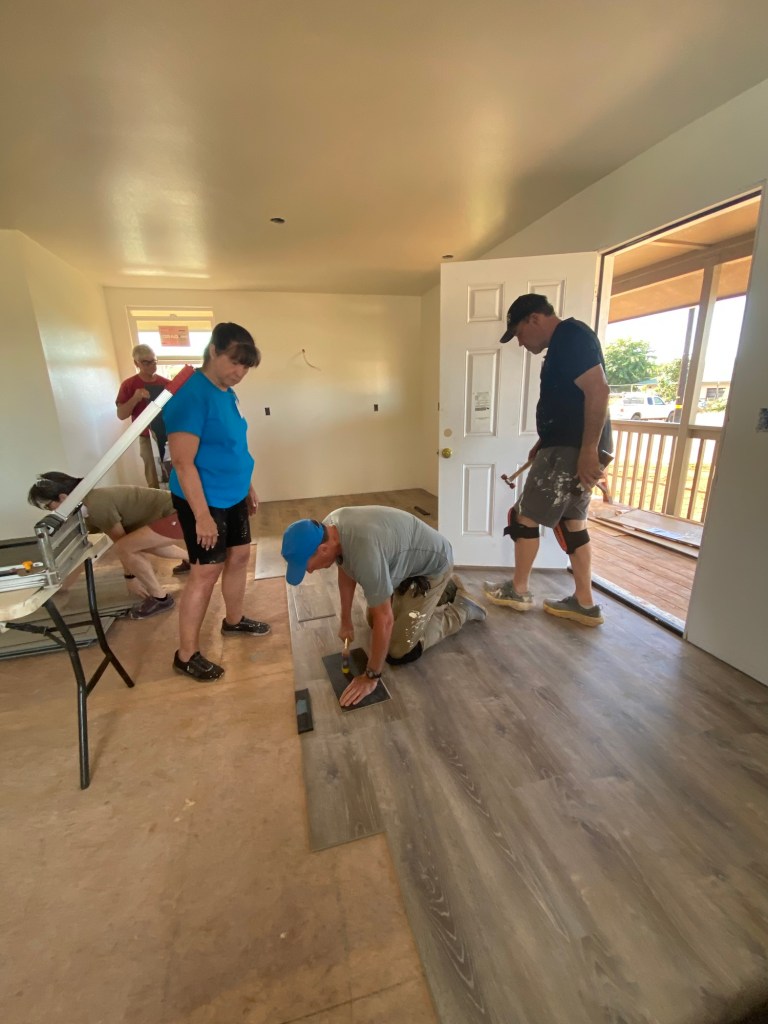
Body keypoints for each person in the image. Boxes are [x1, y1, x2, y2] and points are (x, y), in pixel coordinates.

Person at [485, 293, 612, 627]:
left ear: (534, 319)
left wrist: (586, 451)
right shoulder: (568, 341)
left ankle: (518, 590)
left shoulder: (570, 337)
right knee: (573, 523)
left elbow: (598, 391)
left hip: (571, 450)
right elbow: (571, 403)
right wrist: (544, 442)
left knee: (525, 517)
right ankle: (584, 602)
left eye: (519, 334)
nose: (520, 342)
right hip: (568, 446)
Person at [281, 506, 486, 707]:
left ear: (323, 549)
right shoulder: (328, 529)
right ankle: (445, 590)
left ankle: (462, 608)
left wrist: (371, 676)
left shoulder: (364, 552)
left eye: (307, 566)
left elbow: (385, 620)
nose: (309, 571)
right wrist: (345, 620)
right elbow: (346, 569)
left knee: (398, 650)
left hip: (432, 568)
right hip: (406, 564)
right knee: (373, 621)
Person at [163, 322, 270, 682]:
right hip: (203, 499)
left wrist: (247, 485)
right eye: (234, 362)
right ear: (213, 351)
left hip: (233, 492)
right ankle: (186, 655)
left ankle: (234, 621)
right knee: (205, 572)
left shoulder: (226, 392)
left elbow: (232, 445)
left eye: (246, 366)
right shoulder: (190, 395)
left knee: (239, 557)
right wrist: (202, 516)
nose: (240, 372)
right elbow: (182, 463)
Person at [28, 473, 189, 619]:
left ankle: (160, 599)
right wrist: (63, 584)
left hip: (183, 515)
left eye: (47, 506)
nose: (49, 511)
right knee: (138, 543)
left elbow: (121, 544)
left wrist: (130, 577)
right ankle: (192, 559)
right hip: (177, 512)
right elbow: (84, 548)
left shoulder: (95, 505)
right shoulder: (86, 504)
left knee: (125, 547)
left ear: (63, 498)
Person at [115, 344, 171, 489]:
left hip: (168, 434)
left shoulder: (166, 384)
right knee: (152, 474)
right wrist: (135, 398)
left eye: (154, 361)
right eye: (146, 362)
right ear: (137, 363)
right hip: (146, 436)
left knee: (173, 469)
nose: (152, 365)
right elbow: (121, 415)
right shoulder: (129, 385)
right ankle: (156, 501)